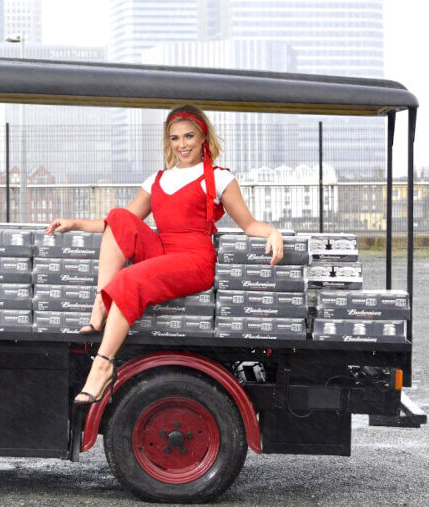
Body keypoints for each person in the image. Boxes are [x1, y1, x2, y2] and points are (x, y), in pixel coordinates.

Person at [45, 105, 284, 405]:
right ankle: (100, 305)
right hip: (162, 251)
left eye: (189, 136)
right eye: (175, 138)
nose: (182, 144)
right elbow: (118, 225)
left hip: (194, 260)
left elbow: (249, 224)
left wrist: (273, 232)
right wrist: (76, 223)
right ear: (168, 141)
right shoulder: (156, 179)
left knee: (129, 277)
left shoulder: (219, 178)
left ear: (203, 138)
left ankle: (103, 365)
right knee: (119, 216)